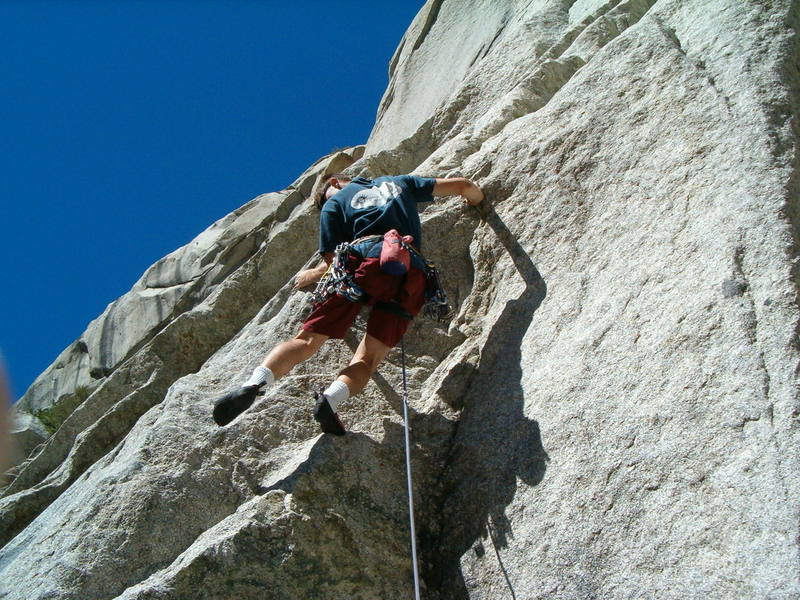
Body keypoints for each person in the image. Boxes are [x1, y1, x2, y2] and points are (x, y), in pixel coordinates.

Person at [213, 173, 484, 433]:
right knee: (367, 359)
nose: (323, 205)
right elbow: (463, 185)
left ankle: (254, 384)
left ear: (334, 183)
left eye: (321, 199)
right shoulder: (400, 182)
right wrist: (478, 201)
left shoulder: (333, 203)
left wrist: (314, 275)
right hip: (410, 270)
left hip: (361, 260)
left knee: (307, 340)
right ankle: (331, 399)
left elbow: (333, 260)